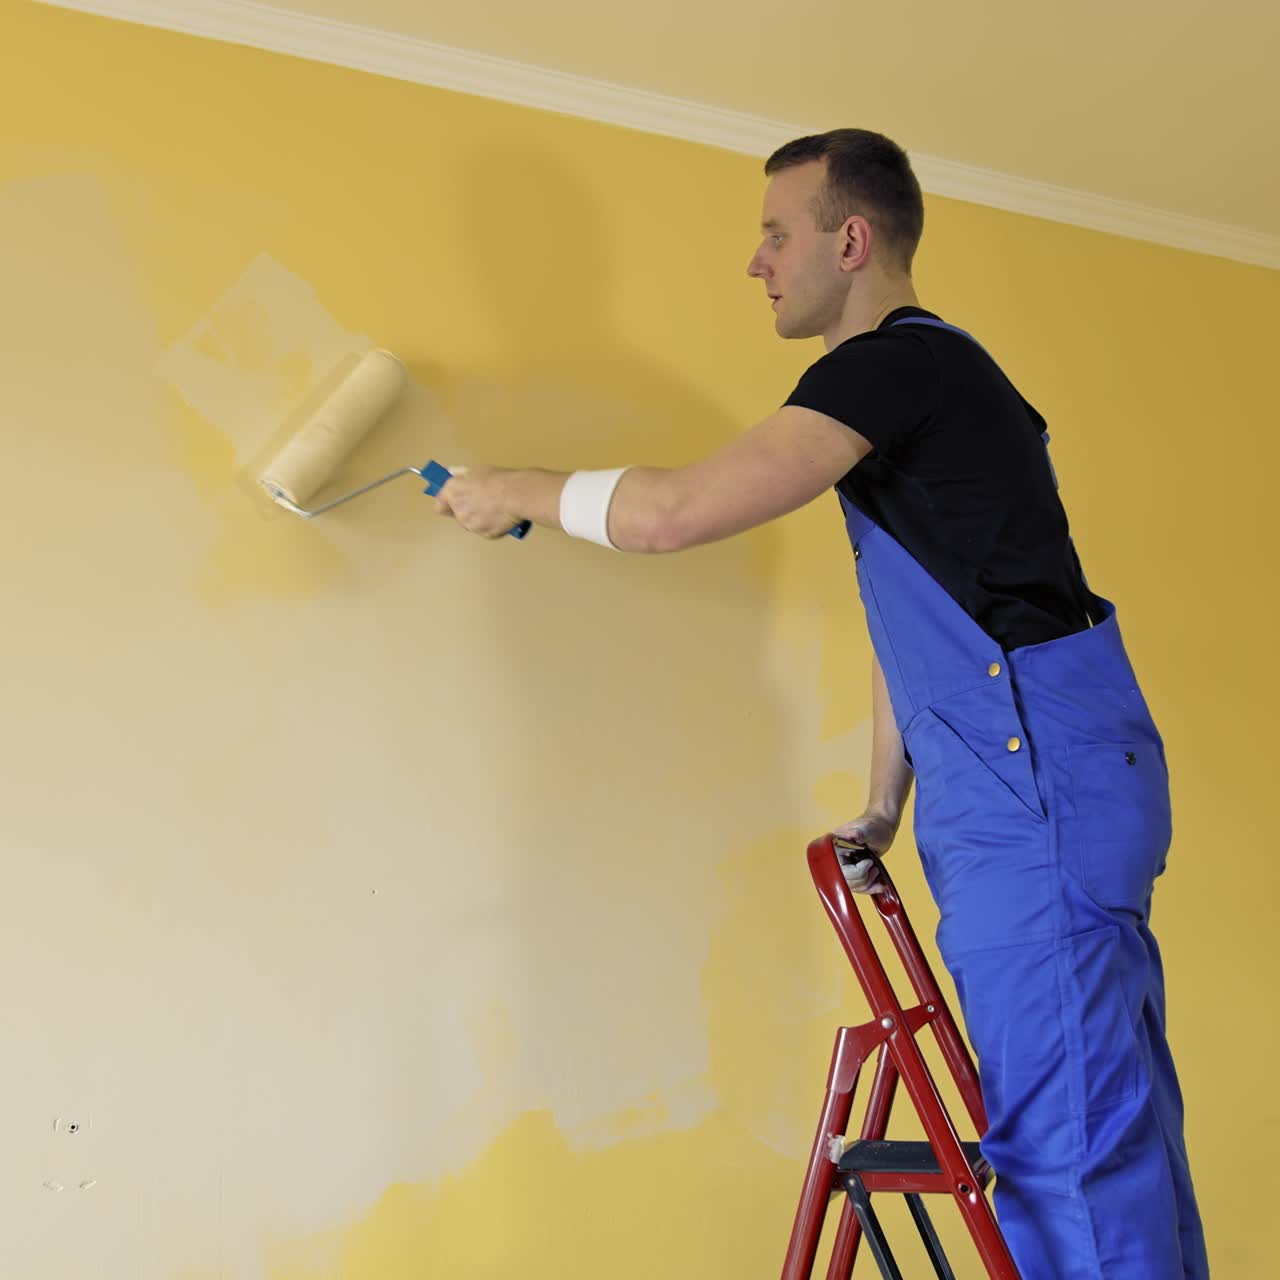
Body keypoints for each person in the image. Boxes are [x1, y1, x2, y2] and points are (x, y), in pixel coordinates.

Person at [433, 127, 1208, 1279]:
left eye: (773, 232)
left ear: (849, 240)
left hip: (1033, 791)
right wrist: (883, 799)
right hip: (1035, 781)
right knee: (1109, 1128)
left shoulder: (892, 367)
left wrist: (514, 489)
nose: (755, 261)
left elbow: (674, 511)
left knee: (1071, 1154)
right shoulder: (934, 385)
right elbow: (942, 618)